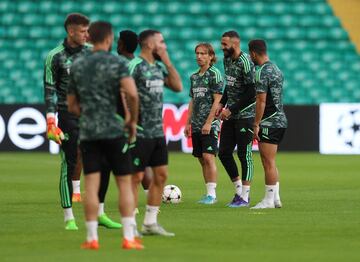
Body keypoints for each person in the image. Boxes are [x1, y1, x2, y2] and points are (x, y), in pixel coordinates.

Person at [67, 21, 143, 250]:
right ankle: (128, 237)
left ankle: (92, 238)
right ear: (109, 39)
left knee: (91, 185)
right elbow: (132, 94)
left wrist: (87, 116)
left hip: (89, 133)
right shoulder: (117, 63)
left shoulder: (78, 64)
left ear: (90, 38)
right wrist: (131, 121)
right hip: (114, 131)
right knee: (124, 183)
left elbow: (71, 105)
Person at [44, 13, 120, 230]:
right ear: (71, 31)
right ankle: (69, 217)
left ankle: (100, 213)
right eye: (83, 31)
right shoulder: (55, 57)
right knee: (70, 162)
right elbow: (49, 91)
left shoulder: (92, 52)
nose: (87, 35)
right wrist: (51, 122)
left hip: (96, 114)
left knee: (102, 162)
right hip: (68, 115)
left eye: (89, 31)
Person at [128, 29, 182, 236]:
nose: (165, 45)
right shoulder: (134, 66)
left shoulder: (158, 67)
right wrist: (129, 122)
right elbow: (120, 93)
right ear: (150, 44)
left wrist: (167, 61)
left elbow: (177, 86)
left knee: (161, 175)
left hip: (158, 131)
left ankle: (150, 223)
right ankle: (130, 224)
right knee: (135, 178)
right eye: (161, 42)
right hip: (139, 131)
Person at [215, 31, 256, 207]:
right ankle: (239, 191)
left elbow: (252, 92)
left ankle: (245, 197)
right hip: (230, 115)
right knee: (224, 152)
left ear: (235, 43)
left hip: (245, 116)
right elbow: (229, 86)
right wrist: (221, 103)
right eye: (221, 44)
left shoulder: (246, 62)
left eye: (225, 44)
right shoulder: (227, 60)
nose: (222, 47)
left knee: (244, 154)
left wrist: (230, 109)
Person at [248, 39, 287, 209]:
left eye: (250, 54)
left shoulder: (261, 71)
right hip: (280, 119)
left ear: (254, 53)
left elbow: (261, 100)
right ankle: (276, 198)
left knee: (267, 162)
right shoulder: (276, 69)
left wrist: (256, 123)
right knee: (271, 161)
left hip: (269, 121)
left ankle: (268, 200)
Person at [184, 43, 223, 204]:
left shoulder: (214, 74)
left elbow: (218, 101)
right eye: (197, 53)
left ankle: (212, 195)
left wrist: (209, 122)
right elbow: (193, 100)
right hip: (197, 124)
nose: (199, 56)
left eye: (203, 54)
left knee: (208, 157)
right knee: (201, 158)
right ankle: (208, 193)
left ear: (211, 56)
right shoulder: (194, 77)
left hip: (210, 124)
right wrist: (188, 123)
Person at [117, 30, 153, 195]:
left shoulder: (123, 65)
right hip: (144, 117)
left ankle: (134, 199)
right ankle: (151, 195)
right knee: (141, 160)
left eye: (119, 41)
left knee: (130, 159)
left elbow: (124, 93)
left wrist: (128, 117)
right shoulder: (141, 64)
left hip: (129, 118)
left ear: (122, 44)